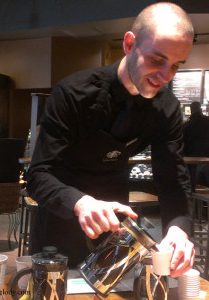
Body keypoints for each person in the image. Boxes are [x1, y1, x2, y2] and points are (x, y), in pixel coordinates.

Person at [27, 2, 195, 277]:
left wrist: (178, 228)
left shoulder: (167, 108)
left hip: (116, 224)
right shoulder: (74, 93)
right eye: (157, 59)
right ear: (129, 44)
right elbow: (38, 175)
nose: (166, 76)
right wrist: (81, 203)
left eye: (176, 66)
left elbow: (173, 180)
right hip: (61, 220)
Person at [183, 101, 209, 187]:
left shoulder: (187, 125)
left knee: (193, 183)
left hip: (191, 160)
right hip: (207, 158)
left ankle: (194, 198)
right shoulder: (207, 121)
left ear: (191, 110)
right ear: (200, 109)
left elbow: (183, 143)